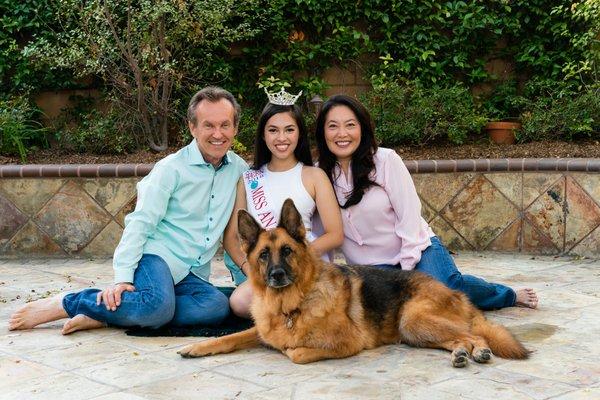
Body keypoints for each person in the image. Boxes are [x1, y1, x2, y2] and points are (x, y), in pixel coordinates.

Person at [9, 86, 250, 334]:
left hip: (192, 272)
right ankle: (70, 302)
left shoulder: (239, 171)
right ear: (192, 127)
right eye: (208, 125)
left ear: (235, 128)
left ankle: (111, 315)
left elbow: (235, 233)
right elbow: (140, 222)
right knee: (156, 308)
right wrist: (122, 279)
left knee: (216, 307)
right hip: (156, 259)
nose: (218, 134)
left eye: (225, 125)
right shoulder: (171, 169)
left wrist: (246, 278)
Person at [314, 94, 538, 310]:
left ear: (362, 128)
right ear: (323, 132)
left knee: (444, 288)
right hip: (371, 267)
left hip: (416, 250)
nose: (342, 133)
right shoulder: (318, 174)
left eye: (350, 125)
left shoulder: (385, 160)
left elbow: (409, 215)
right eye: (333, 126)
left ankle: (506, 295)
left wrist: (408, 267)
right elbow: (320, 232)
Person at [224, 91, 344, 318]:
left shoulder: (314, 175)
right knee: (240, 302)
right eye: (273, 130)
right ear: (263, 135)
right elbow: (231, 238)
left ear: (299, 133)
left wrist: (298, 257)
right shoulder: (249, 179)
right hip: (267, 267)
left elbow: (335, 234)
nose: (282, 138)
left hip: (306, 266)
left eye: (289, 129)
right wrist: (251, 270)